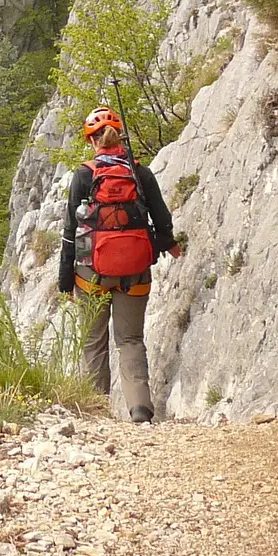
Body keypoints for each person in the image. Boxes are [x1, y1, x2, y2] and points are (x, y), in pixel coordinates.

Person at [57, 107, 178, 423]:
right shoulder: (140, 172)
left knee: (93, 342)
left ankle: (95, 414)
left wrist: (64, 280)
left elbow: (72, 230)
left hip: (91, 274)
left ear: (92, 141)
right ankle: (140, 409)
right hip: (135, 271)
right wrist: (168, 243)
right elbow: (162, 218)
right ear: (120, 135)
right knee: (131, 340)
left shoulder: (84, 175)